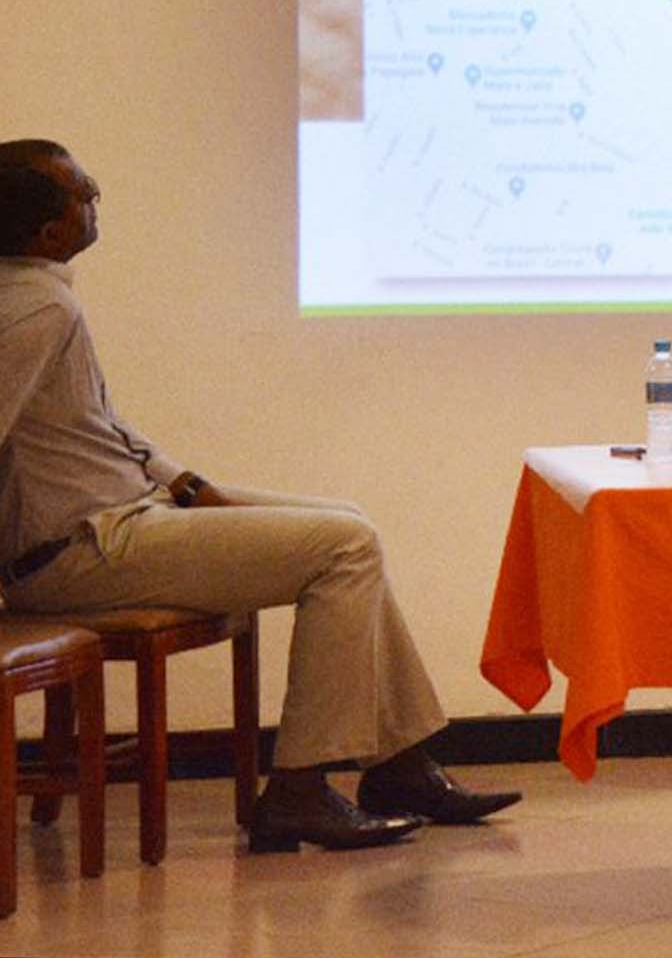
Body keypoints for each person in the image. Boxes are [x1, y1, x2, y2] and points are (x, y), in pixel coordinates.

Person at [0, 138, 519, 852]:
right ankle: (300, 789)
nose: (97, 200)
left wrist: (186, 485)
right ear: (49, 229)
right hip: (81, 548)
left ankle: (397, 763)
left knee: (347, 520)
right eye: (86, 191)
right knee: (344, 547)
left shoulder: (40, 290)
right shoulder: (33, 310)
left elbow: (99, 423)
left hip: (122, 513)